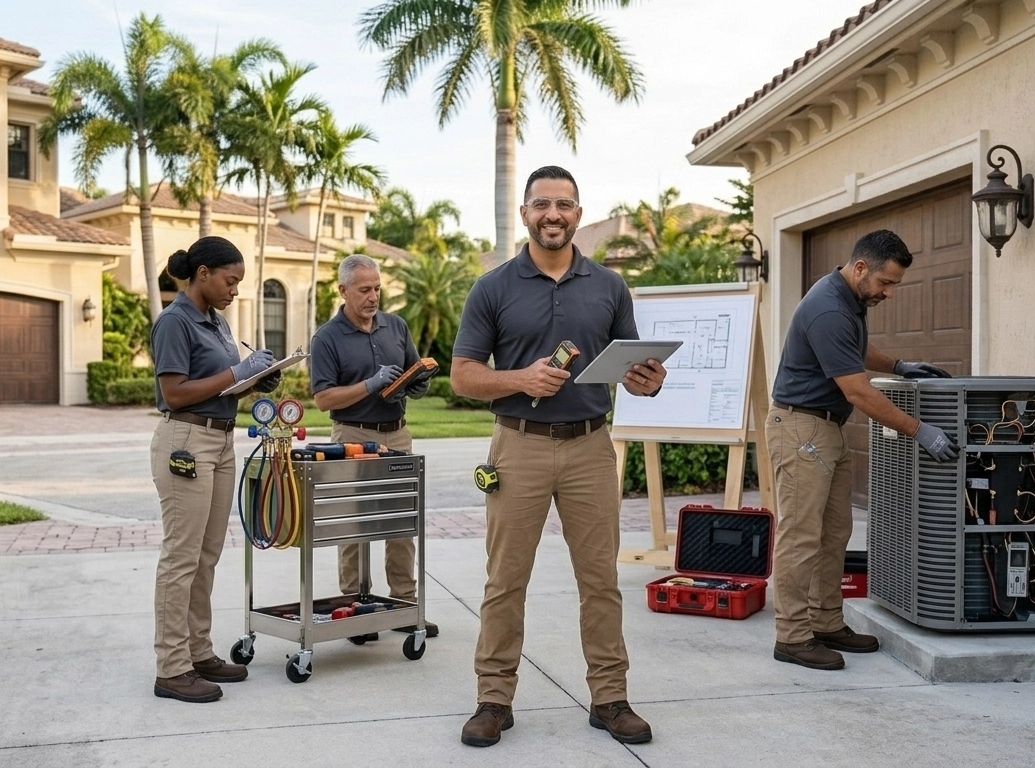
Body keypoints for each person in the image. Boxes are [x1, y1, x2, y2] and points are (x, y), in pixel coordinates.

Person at [451, 166, 667, 748]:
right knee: (505, 581)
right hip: (516, 444)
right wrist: (521, 378)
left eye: (564, 204)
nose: (554, 214)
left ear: (578, 212)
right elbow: (464, 376)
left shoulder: (609, 286)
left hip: (591, 447)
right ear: (525, 213)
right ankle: (493, 699)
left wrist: (648, 381)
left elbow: (630, 364)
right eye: (542, 204)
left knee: (600, 580)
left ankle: (610, 698)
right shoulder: (493, 287)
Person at [767, 229, 957, 671]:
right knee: (800, 538)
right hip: (800, 429)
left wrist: (898, 365)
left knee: (834, 533)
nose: (889, 293)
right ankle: (792, 637)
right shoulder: (829, 307)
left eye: (894, 285)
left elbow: (853, 351)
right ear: (860, 269)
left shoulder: (847, 298)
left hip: (824, 429)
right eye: (886, 283)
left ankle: (825, 621)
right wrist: (919, 430)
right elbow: (857, 391)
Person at [149, 236, 281, 703]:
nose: (235, 290)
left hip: (221, 440)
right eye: (230, 280)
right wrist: (237, 372)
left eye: (238, 283)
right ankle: (171, 667)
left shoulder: (217, 322)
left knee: (206, 555)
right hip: (185, 441)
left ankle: (198, 653)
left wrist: (255, 380)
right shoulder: (174, 322)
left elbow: (222, 388)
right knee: (181, 557)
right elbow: (177, 393)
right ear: (202, 274)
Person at [308, 254, 437, 639]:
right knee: (352, 526)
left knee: (402, 524)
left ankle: (404, 606)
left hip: (397, 434)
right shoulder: (327, 337)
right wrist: (370, 384)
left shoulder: (395, 326)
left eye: (377, 288)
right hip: (352, 436)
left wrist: (418, 381)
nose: (373, 296)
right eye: (364, 290)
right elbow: (324, 399)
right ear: (343, 290)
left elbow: (414, 366)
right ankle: (354, 611)